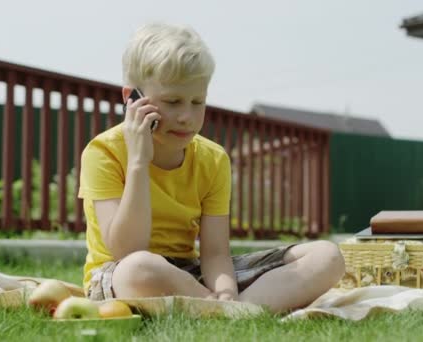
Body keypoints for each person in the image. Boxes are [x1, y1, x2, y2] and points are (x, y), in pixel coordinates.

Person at [77, 22, 345, 313]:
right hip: (120, 276)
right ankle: (229, 311)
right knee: (138, 268)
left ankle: (230, 311)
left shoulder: (213, 159)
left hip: (191, 275)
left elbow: (216, 253)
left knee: (327, 256)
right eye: (173, 101)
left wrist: (225, 290)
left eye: (197, 101)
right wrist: (139, 162)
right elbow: (126, 251)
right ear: (132, 98)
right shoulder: (103, 152)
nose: (186, 116)